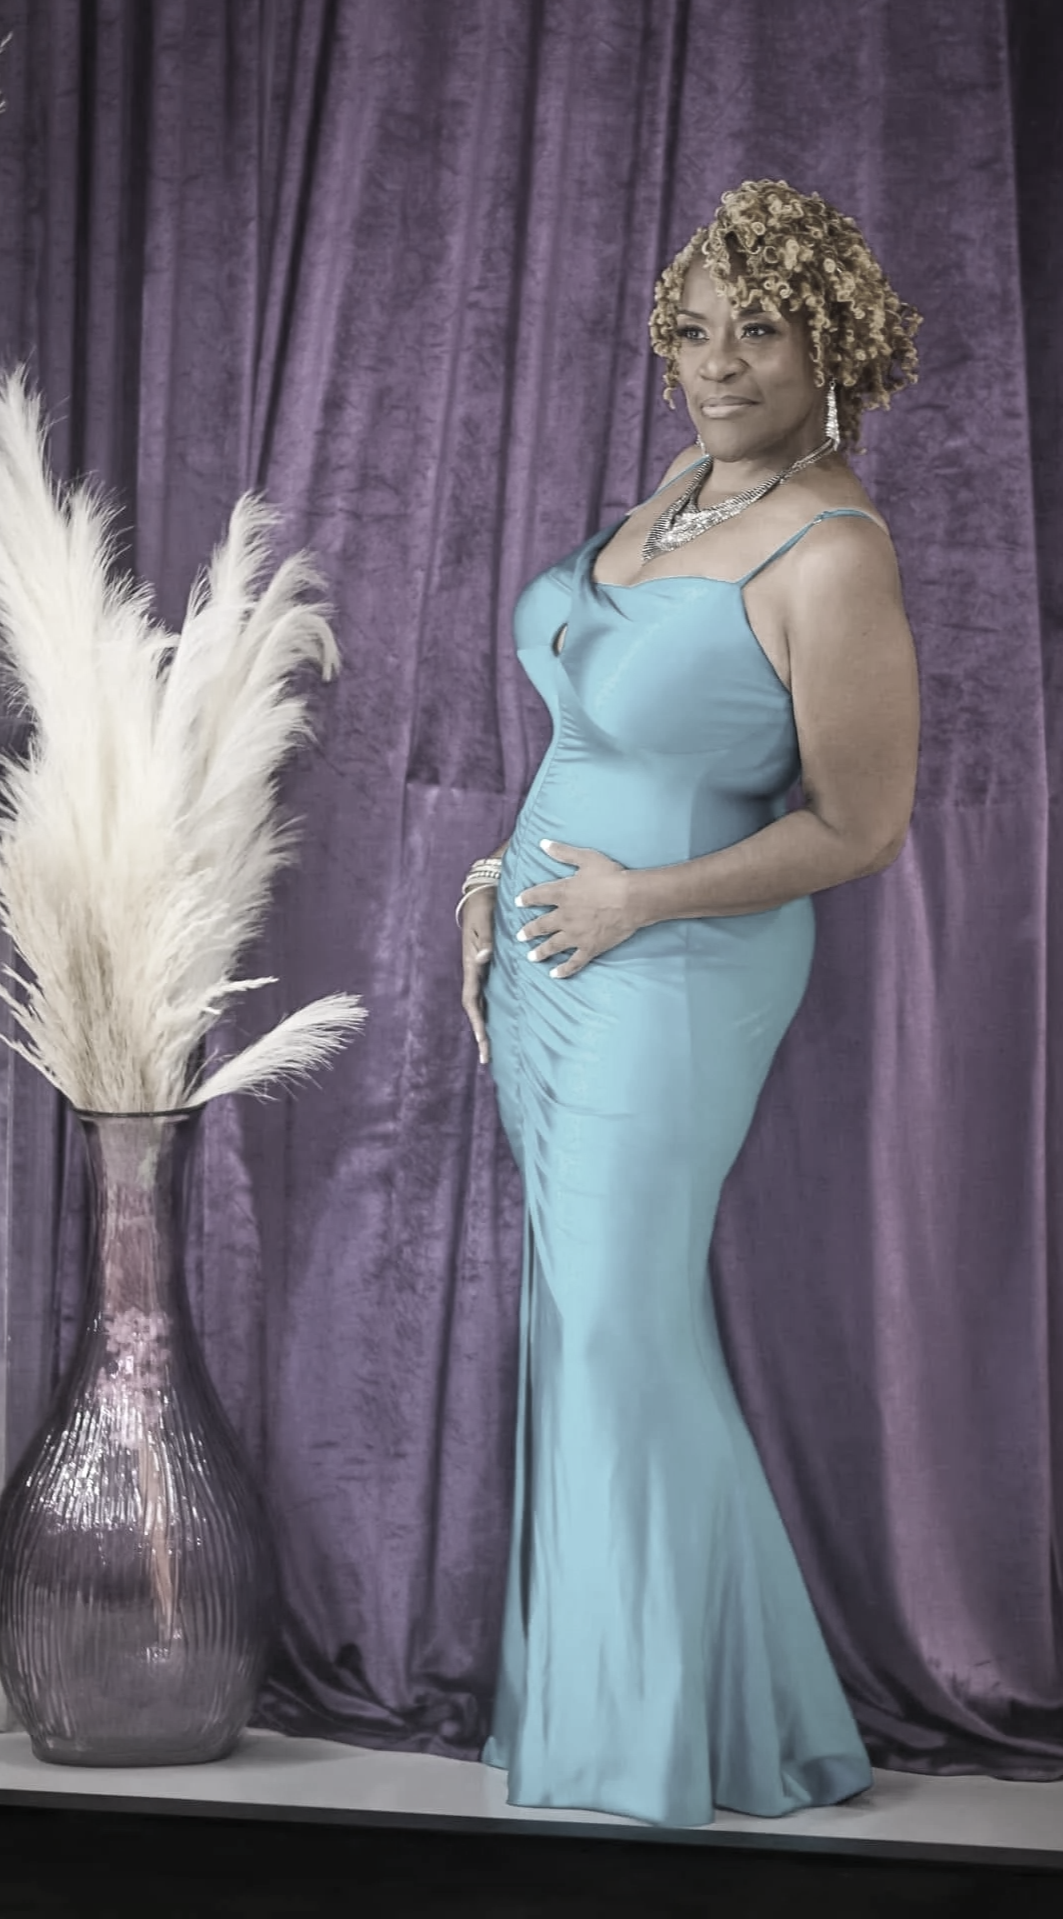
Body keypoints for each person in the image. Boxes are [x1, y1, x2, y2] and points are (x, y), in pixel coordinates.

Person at [456, 179, 921, 1829]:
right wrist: (500, 888)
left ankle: (658, 1739)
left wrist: (633, 897)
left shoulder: (831, 550)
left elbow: (861, 828)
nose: (719, 363)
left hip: (677, 964)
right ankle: (664, 1714)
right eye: (695, 330)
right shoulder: (683, 485)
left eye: (762, 329)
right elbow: (597, 720)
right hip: (550, 954)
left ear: (832, 344)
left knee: (615, 1319)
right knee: (577, 1320)